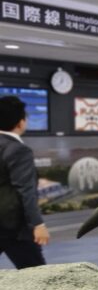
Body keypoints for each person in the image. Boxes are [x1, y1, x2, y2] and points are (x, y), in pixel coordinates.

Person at [0, 95, 49, 267]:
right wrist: (38, 224)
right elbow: (26, 191)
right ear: (21, 123)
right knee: (38, 275)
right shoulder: (19, 150)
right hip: (14, 227)